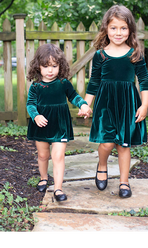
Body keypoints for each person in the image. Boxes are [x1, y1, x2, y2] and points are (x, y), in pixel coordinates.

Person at [78, 5, 148, 198]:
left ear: (130, 30)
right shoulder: (100, 55)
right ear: (106, 29)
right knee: (107, 143)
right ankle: (102, 165)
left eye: (123, 28)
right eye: (114, 28)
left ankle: (124, 182)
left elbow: (144, 81)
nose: (118, 33)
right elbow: (94, 82)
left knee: (124, 144)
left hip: (128, 104)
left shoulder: (134, 54)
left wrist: (144, 105)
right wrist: (86, 104)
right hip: (106, 104)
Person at [26, 43, 92, 201]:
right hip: (41, 125)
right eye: (46, 66)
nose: (50, 70)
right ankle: (43, 178)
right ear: (38, 67)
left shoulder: (63, 84)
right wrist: (35, 116)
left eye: (54, 66)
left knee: (58, 156)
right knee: (43, 155)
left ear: (60, 66)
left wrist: (83, 104)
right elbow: (30, 104)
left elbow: (74, 96)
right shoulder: (36, 87)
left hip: (60, 125)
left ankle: (58, 189)